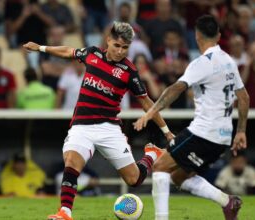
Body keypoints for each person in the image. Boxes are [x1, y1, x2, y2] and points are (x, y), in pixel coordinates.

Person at [23, 21, 174, 220]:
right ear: (108, 41)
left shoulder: (129, 72)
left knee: (133, 179)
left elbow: (147, 103)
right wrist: (41, 48)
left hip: (108, 128)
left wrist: (166, 131)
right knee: (71, 161)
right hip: (81, 126)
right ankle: (65, 213)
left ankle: (151, 154)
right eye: (117, 46)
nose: (120, 51)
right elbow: (69, 51)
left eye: (125, 48)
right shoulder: (92, 54)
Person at [134, 15, 250, 220]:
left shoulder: (201, 63)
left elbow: (176, 88)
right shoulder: (229, 61)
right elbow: (244, 97)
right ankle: (227, 202)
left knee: (160, 167)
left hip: (203, 133)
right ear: (219, 36)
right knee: (179, 177)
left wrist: (151, 112)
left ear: (197, 37)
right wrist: (240, 131)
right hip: (222, 138)